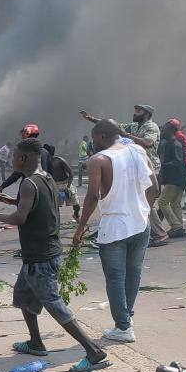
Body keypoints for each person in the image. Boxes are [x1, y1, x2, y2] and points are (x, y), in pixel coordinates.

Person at [0, 139, 110, 372]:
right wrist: (11, 200)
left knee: (54, 304)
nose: (11, 160)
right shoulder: (46, 178)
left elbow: (20, 218)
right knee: (23, 296)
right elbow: (36, 205)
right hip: (42, 253)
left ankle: (93, 352)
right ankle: (35, 342)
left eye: (13, 156)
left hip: (40, 257)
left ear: (23, 158)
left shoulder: (28, 184)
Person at [75, 119, 159, 343]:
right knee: (133, 274)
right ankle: (126, 320)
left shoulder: (98, 160)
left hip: (114, 228)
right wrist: (144, 212)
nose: (93, 143)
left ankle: (123, 327)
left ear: (102, 136)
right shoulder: (138, 151)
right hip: (140, 225)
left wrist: (80, 228)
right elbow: (155, 187)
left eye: (94, 139)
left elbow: (93, 196)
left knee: (115, 278)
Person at [81, 105, 167, 246]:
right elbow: (111, 126)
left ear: (147, 114)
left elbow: (148, 143)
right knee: (136, 198)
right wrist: (91, 119)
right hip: (133, 164)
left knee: (144, 199)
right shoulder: (134, 126)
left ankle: (159, 233)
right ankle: (147, 229)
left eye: (138, 111)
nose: (135, 113)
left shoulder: (151, 127)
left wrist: (126, 135)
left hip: (147, 166)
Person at [0, 124, 51, 194]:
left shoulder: (25, 153)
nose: (22, 138)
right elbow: (49, 172)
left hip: (28, 188)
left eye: (23, 136)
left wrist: (2, 186)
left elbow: (17, 174)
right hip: (44, 189)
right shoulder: (46, 152)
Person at [157, 119, 186, 238]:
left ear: (171, 131)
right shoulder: (170, 143)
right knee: (175, 203)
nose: (162, 132)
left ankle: (176, 226)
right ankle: (179, 227)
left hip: (175, 179)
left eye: (164, 130)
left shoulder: (175, 144)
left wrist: (162, 165)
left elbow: (177, 161)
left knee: (162, 202)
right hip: (177, 179)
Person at [45, 144, 80, 221]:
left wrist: (68, 186)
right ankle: (55, 221)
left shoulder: (59, 160)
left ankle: (76, 215)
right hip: (54, 184)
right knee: (54, 205)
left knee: (76, 204)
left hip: (66, 183)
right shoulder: (44, 163)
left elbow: (71, 173)